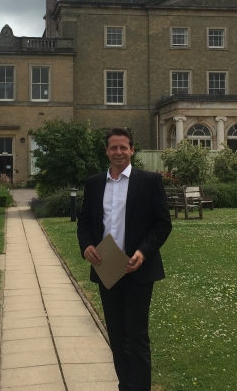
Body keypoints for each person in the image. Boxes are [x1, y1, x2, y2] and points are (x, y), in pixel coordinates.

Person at [77, 127, 172, 391]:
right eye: (113, 148)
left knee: (137, 336)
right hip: (106, 268)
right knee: (117, 337)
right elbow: (85, 222)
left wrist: (143, 251)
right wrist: (86, 246)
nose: (118, 152)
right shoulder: (95, 183)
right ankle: (124, 386)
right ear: (106, 151)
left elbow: (162, 224)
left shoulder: (149, 181)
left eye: (123, 147)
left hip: (137, 269)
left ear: (132, 150)